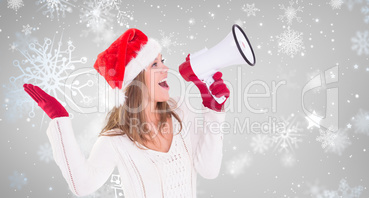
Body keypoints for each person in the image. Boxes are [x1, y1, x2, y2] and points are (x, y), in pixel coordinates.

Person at [23, 28, 230, 198]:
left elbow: (208, 170)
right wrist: (60, 121)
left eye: (162, 60)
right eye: (155, 64)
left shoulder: (180, 111)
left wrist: (214, 112)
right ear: (135, 81)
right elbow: (83, 185)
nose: (166, 69)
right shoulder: (116, 140)